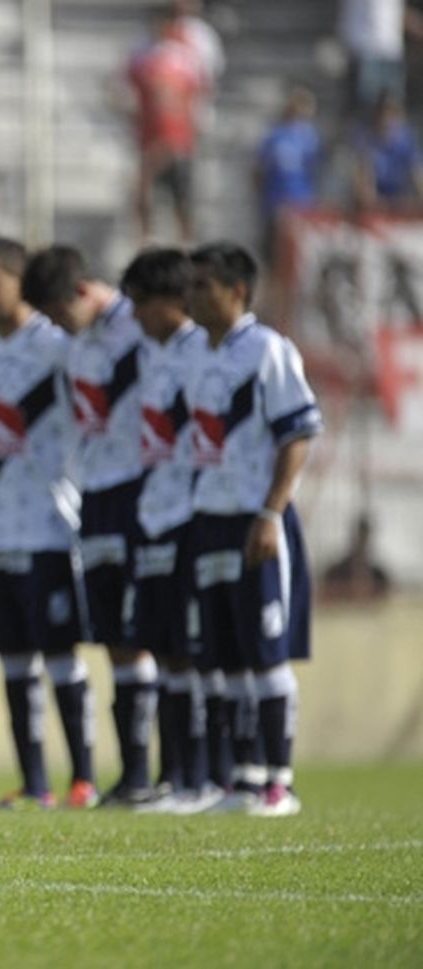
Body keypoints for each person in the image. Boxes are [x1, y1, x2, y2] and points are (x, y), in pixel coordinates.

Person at [184, 241, 321, 817]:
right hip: (208, 517)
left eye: (201, 286)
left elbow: (298, 433)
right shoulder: (193, 353)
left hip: (253, 518)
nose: (190, 296)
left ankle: (279, 782)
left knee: (265, 653)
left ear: (235, 291)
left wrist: (270, 512)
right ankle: (244, 777)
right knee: (227, 655)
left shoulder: (267, 350)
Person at [22, 245, 158, 808]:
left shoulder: (140, 325)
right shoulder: (73, 344)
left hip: (146, 489)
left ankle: (191, 771)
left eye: (56, 314)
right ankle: (133, 775)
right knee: (116, 640)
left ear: (80, 292)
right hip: (95, 494)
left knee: (161, 632)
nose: (55, 328)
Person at [0, 236, 96, 810]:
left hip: (48, 522)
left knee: (62, 655)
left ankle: (83, 778)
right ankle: (36, 782)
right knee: (14, 661)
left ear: (21, 281)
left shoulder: (56, 344)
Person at [119, 248, 221, 814]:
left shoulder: (198, 354)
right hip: (154, 514)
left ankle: (206, 778)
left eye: (140, 303)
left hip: (189, 513)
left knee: (192, 651)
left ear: (169, 302)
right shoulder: (151, 353)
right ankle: (180, 776)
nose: (133, 314)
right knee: (163, 651)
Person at [126, 5, 206, 243]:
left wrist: (193, 131)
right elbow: (126, 91)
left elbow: (197, 96)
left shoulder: (186, 57)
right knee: (144, 193)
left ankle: (185, 244)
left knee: (181, 196)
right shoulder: (141, 55)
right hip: (149, 138)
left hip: (179, 139)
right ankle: (145, 240)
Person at [254, 87, 323, 262]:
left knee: (297, 256)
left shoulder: (310, 138)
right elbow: (260, 169)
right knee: (272, 253)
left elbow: (315, 172)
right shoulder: (275, 135)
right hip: (275, 201)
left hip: (301, 203)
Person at [353, 92, 423, 213]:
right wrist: (370, 200)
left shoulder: (407, 140)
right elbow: (364, 175)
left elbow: (417, 173)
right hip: (377, 201)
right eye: (383, 113)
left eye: (392, 113)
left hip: (401, 198)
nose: (387, 118)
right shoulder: (366, 140)